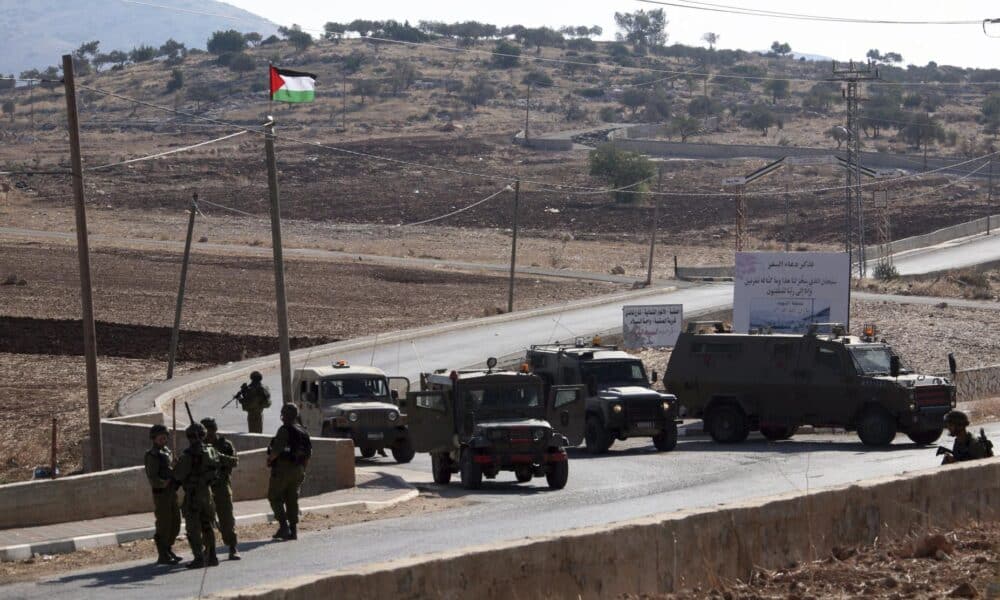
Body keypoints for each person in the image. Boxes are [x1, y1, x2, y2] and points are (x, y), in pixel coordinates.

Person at [174, 422, 221, 568]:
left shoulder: (187, 456)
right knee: (207, 525)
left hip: (193, 494)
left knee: (193, 528)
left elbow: (178, 475)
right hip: (207, 493)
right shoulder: (211, 450)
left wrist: (175, 464)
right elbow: (216, 466)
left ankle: (199, 558)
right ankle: (212, 556)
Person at [267, 403, 311, 541]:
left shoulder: (284, 430)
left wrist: (270, 460)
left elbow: (276, 450)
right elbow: (308, 454)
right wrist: (303, 470)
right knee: (292, 499)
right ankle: (293, 530)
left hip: (283, 469)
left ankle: (283, 526)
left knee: (274, 497)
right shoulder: (303, 431)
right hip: (298, 469)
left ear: (283, 415)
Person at [201, 417, 240, 560]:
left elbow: (234, 461)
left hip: (222, 486)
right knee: (206, 520)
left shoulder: (225, 444)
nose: (208, 433)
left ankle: (232, 546)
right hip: (205, 487)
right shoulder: (199, 446)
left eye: (210, 430)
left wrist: (218, 456)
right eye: (205, 430)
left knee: (226, 519)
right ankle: (208, 548)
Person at [144, 424, 182, 565]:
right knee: (164, 523)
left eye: (165, 437)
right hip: (161, 494)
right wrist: (162, 483)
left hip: (172, 492)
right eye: (160, 438)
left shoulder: (167, 451)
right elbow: (152, 476)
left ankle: (168, 548)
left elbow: (170, 468)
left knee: (176, 522)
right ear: (154, 439)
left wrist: (175, 465)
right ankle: (163, 554)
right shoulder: (152, 455)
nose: (163, 440)